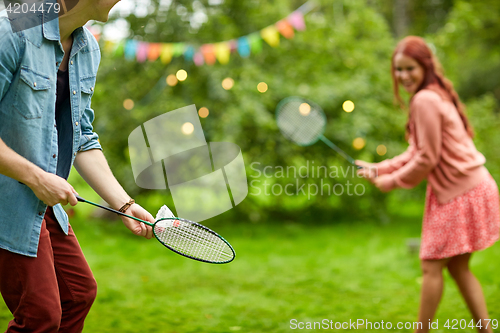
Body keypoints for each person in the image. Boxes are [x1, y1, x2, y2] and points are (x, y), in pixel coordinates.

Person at [0, 0, 156, 331]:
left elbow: (82, 135)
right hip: (6, 203)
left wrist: (124, 204)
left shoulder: (87, 49)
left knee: (78, 295)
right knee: (41, 316)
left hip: (41, 203)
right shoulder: (11, 32)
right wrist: (37, 178)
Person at [357, 36, 499, 333]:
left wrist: (391, 182)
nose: (403, 76)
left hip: (461, 193)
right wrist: (378, 168)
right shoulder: (432, 95)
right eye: (398, 70)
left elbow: (427, 158)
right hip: (475, 186)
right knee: (459, 269)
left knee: (431, 266)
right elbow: (417, 151)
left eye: (410, 68)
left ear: (425, 66)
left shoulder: (424, 99)